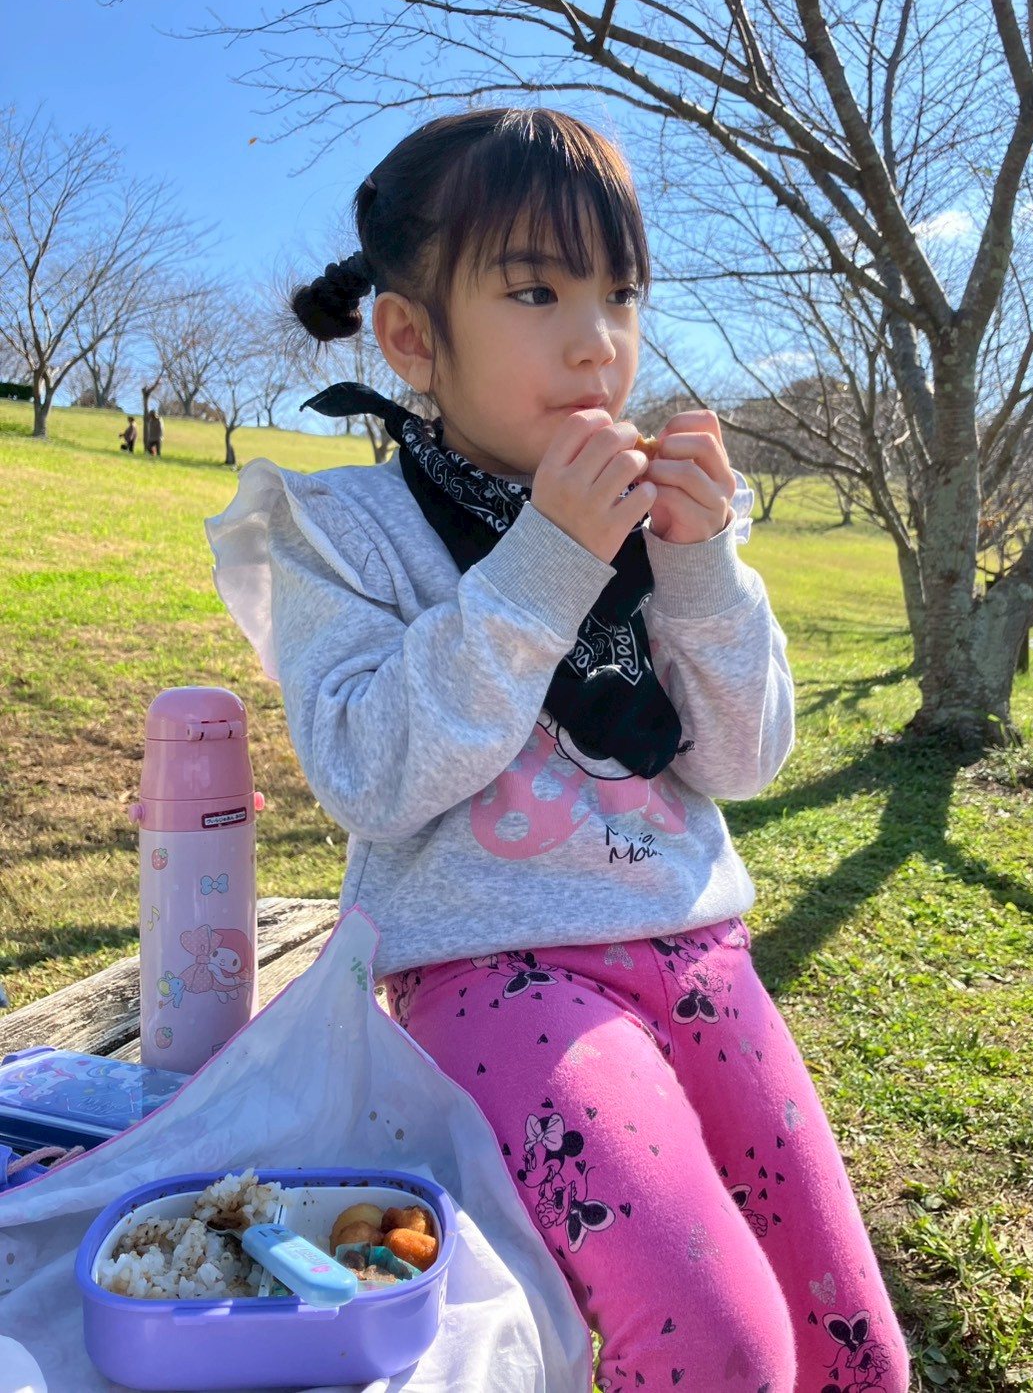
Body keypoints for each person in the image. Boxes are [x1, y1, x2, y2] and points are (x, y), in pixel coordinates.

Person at [206, 109, 910, 1392]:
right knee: (717, 1346)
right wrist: (546, 559)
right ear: (412, 339)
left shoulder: (665, 522)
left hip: (703, 956)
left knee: (851, 1349)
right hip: (493, 974)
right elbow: (368, 770)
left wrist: (701, 569)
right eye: (536, 291)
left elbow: (742, 761)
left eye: (620, 293)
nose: (598, 342)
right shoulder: (343, 529)